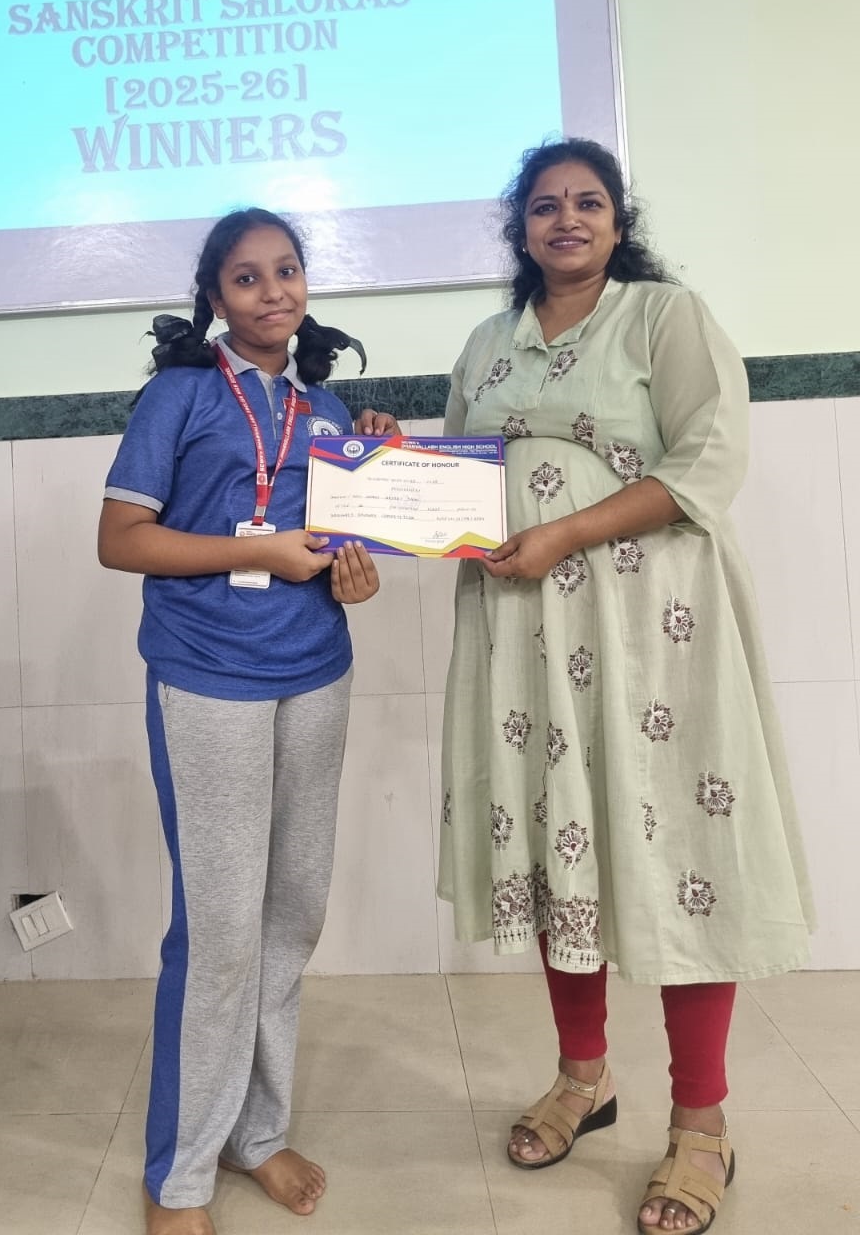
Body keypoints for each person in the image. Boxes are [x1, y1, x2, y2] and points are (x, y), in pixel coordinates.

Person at [437, 140, 813, 1235]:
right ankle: (584, 1077)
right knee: (559, 840)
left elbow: (707, 461)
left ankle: (702, 1123)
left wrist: (568, 530)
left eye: (588, 202)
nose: (567, 219)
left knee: (677, 851)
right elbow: (458, 483)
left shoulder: (663, 317)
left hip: (654, 632)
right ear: (519, 227)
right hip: (523, 633)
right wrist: (381, 464)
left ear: (617, 220)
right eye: (545, 206)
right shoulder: (486, 345)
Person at [99, 207, 396, 1235]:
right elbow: (121, 538)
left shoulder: (328, 407)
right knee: (220, 931)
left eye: (287, 270)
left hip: (315, 671)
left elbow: (340, 548)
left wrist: (356, 562)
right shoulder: (179, 395)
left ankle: (256, 1134)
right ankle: (177, 1177)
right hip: (207, 676)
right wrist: (258, 553)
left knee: (291, 913)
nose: (273, 291)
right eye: (247, 277)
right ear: (215, 297)